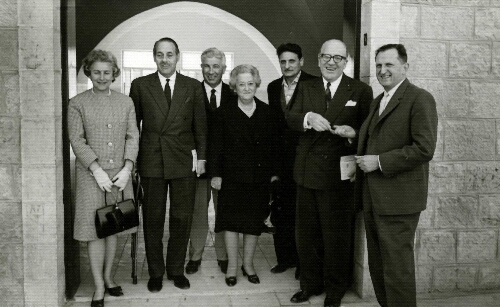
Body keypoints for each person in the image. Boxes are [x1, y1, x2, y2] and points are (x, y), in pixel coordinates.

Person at [286, 39, 373, 307]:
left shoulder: (360, 90)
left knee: (336, 236)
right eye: (326, 57)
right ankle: (310, 285)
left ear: (346, 61)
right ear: (319, 59)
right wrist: (307, 118)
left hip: (339, 176)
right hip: (307, 172)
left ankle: (335, 289)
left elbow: (369, 131)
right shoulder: (306, 86)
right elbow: (289, 117)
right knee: (306, 235)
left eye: (338, 57)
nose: (331, 62)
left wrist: (354, 134)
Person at [355, 44, 438, 307]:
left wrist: (378, 162)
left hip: (399, 202)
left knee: (397, 271)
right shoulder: (379, 100)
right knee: (380, 267)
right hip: (374, 198)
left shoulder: (419, 98)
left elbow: (424, 148)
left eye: (389, 64)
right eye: (379, 65)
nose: (382, 70)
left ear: (405, 67)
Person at [129, 37, 207, 292]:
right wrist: (133, 162)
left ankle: (175, 269)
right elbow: (133, 128)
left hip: (183, 159)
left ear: (178, 56)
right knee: (152, 219)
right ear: (154, 57)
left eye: (169, 54)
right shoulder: (140, 85)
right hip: (151, 158)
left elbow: (201, 128)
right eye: (160, 55)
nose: (165, 59)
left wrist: (202, 159)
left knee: (181, 217)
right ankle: (155, 272)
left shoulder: (193, 86)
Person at [68, 49, 139, 307]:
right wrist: (96, 169)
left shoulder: (125, 102)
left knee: (114, 227)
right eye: (96, 72)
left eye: (106, 72)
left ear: (114, 74)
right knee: (94, 231)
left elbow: (133, 136)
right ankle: (98, 285)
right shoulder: (77, 103)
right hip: (91, 177)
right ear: (89, 72)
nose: (101, 77)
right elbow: (77, 139)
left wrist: (127, 168)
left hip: (120, 175)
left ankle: (109, 278)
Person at [209, 64, 280, 287]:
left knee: (252, 223)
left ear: (256, 84)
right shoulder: (223, 112)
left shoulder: (268, 112)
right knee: (231, 222)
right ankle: (231, 266)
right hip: (231, 177)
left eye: (250, 83)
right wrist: (216, 174)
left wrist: (274, 174)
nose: (247, 88)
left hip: (258, 178)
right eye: (242, 84)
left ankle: (248, 264)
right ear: (234, 86)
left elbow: (273, 147)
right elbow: (215, 147)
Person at [267, 43, 316, 279]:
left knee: (303, 214)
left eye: (292, 61)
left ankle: (302, 263)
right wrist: (274, 168)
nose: (287, 66)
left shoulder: (314, 84)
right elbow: (275, 129)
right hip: (281, 161)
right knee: (280, 211)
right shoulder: (272, 87)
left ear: (301, 61)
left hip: (305, 158)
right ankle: (284, 259)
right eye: (283, 62)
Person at [185, 47, 233, 275]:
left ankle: (224, 256)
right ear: (201, 67)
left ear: (224, 68)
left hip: (224, 167)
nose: (211, 71)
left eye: (216, 66)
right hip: (198, 165)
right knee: (197, 213)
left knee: (224, 211)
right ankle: (195, 256)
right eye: (207, 66)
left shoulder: (234, 94)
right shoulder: (191, 91)